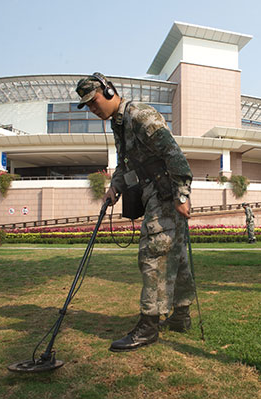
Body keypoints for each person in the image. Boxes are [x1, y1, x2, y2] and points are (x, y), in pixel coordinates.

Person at [76, 73, 195, 351]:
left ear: (108, 91)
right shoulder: (118, 124)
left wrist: (181, 195)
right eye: (88, 107)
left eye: (94, 102)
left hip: (165, 192)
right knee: (175, 255)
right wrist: (114, 188)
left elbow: (175, 155)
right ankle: (180, 316)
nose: (93, 110)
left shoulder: (140, 115)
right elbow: (124, 163)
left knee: (152, 253)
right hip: (152, 191)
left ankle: (148, 326)